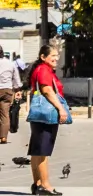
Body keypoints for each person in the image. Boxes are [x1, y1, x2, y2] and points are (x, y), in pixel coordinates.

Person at [26, 42, 66, 196]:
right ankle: (45, 185)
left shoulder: (40, 69)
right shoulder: (44, 70)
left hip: (38, 115)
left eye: (57, 55)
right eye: (53, 56)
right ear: (43, 57)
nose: (56, 58)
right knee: (43, 151)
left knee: (37, 151)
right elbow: (47, 90)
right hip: (46, 114)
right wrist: (61, 109)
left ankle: (37, 184)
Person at [0, 42, 21, 144]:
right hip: (7, 90)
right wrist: (17, 90)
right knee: (5, 114)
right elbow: (16, 79)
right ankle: (3, 137)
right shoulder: (10, 63)